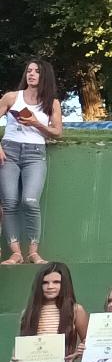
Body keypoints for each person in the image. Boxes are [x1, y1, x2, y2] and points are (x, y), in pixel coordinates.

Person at [0, 59, 60, 266]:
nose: (31, 74)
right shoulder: (11, 97)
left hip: (35, 153)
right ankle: (15, 253)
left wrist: (35, 122)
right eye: (29, 71)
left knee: (30, 201)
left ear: (45, 76)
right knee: (9, 202)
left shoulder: (51, 102)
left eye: (36, 71)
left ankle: (33, 252)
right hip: (9, 151)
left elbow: (57, 132)